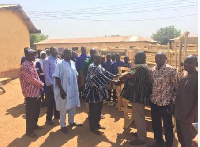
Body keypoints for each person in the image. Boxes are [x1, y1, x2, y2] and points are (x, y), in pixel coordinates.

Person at [119, 51, 152, 145]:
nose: (134, 59)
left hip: (138, 96)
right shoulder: (145, 67)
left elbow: (129, 75)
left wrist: (121, 76)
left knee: (139, 116)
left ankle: (141, 138)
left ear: (140, 58)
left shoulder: (139, 66)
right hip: (142, 95)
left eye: (135, 58)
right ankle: (140, 133)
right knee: (139, 115)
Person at [150, 52, 178, 147]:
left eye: (161, 58)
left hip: (166, 103)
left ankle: (168, 144)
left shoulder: (171, 70)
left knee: (168, 125)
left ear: (165, 58)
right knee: (156, 123)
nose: (158, 60)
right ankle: (159, 142)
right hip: (154, 102)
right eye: (157, 57)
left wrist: (173, 103)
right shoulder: (153, 69)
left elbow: (176, 87)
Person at [85, 53, 117, 135]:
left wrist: (114, 76)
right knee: (93, 110)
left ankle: (97, 124)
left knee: (99, 108)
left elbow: (105, 72)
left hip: (99, 91)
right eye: (98, 59)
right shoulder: (92, 67)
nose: (100, 60)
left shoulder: (99, 66)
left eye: (101, 59)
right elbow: (100, 76)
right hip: (93, 91)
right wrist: (111, 81)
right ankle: (93, 127)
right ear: (94, 59)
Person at [53, 49, 81, 134]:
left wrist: (76, 86)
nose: (69, 54)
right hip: (64, 90)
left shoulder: (72, 63)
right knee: (63, 108)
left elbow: (76, 75)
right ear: (64, 54)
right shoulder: (60, 63)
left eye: (70, 53)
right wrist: (61, 90)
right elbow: (57, 77)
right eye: (67, 53)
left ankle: (71, 121)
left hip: (72, 89)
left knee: (72, 106)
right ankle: (63, 125)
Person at [19, 48, 44, 138]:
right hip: (30, 93)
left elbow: (36, 76)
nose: (34, 56)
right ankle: (29, 131)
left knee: (36, 111)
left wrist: (39, 86)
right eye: (32, 55)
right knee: (30, 113)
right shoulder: (24, 66)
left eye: (35, 55)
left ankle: (34, 125)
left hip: (36, 92)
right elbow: (30, 80)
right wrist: (41, 84)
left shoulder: (32, 64)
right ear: (27, 56)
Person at [174, 55, 198, 147]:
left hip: (188, 116)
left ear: (196, 63)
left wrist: (191, 116)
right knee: (181, 137)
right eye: (185, 63)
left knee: (190, 139)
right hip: (178, 113)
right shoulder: (183, 74)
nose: (186, 65)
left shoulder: (197, 78)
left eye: (189, 63)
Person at [43, 46, 60, 125]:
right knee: (50, 102)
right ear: (50, 51)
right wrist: (51, 84)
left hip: (58, 84)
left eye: (56, 50)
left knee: (57, 100)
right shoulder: (47, 60)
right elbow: (46, 73)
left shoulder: (58, 60)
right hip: (51, 85)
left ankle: (57, 116)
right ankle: (48, 119)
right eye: (54, 51)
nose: (55, 52)